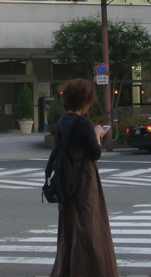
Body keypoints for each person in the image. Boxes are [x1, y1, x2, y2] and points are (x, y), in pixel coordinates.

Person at [49, 78, 117, 277]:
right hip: (85, 180)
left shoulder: (63, 121)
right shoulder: (84, 123)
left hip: (67, 181)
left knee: (70, 228)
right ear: (86, 101)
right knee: (90, 228)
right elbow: (95, 153)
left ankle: (67, 269)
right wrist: (98, 132)